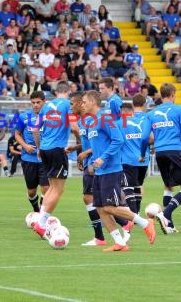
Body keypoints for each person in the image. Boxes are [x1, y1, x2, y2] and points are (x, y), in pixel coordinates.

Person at [81, 90, 156, 252]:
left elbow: (118, 140)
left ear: (93, 102)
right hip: (100, 172)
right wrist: (92, 161)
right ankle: (119, 242)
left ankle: (145, 223)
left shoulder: (104, 119)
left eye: (84, 101)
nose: (82, 104)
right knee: (100, 208)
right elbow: (98, 146)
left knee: (110, 207)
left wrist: (104, 158)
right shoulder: (91, 122)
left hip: (111, 170)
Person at [32, 81, 78, 238]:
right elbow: (74, 127)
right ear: (68, 91)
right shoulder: (67, 105)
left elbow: (35, 130)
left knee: (51, 187)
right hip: (57, 149)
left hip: (44, 149)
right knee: (58, 189)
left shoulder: (46, 106)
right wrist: (80, 143)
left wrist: (39, 148)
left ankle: (40, 220)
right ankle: (42, 224)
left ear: (56, 92)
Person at [146, 83, 181, 234]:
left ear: (161, 94)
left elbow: (148, 137)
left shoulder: (152, 113)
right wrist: (177, 143)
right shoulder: (179, 109)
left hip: (159, 153)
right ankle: (166, 213)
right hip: (174, 150)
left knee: (169, 186)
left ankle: (170, 225)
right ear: (173, 94)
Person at [69, 92, 107, 246]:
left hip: (95, 163)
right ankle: (101, 236)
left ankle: (128, 223)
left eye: (73, 103)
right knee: (97, 201)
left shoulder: (93, 119)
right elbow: (89, 143)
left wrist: (85, 154)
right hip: (89, 162)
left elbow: (100, 144)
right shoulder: (83, 121)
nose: (71, 106)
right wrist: (78, 149)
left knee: (94, 200)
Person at [15, 91, 48, 212]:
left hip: (45, 158)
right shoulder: (24, 116)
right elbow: (17, 134)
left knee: (46, 188)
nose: (35, 105)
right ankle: (36, 209)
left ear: (44, 102)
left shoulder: (49, 116)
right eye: (33, 102)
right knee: (31, 191)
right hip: (28, 158)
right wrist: (25, 145)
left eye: (38, 102)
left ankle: (42, 215)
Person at [121, 95, 152, 216]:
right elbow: (151, 138)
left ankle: (133, 216)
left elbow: (118, 139)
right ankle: (137, 213)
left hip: (128, 159)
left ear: (133, 105)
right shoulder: (148, 118)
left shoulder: (124, 120)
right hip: (143, 159)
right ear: (144, 104)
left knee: (128, 187)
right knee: (138, 185)